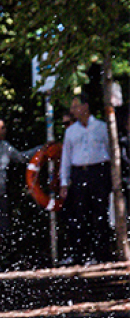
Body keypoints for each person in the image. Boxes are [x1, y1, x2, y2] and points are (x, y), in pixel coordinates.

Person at [59, 93, 112, 264]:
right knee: (81, 214)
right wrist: (64, 182)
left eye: (76, 106)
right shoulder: (71, 131)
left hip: (99, 171)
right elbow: (66, 157)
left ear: (85, 106)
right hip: (79, 172)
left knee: (100, 213)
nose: (73, 110)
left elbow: (111, 151)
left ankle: (102, 254)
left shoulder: (102, 127)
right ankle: (83, 254)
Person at [0, 118, 35, 273]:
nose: (4, 131)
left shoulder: (5, 147)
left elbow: (21, 158)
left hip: (0, 193)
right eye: (1, 128)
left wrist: (41, 149)